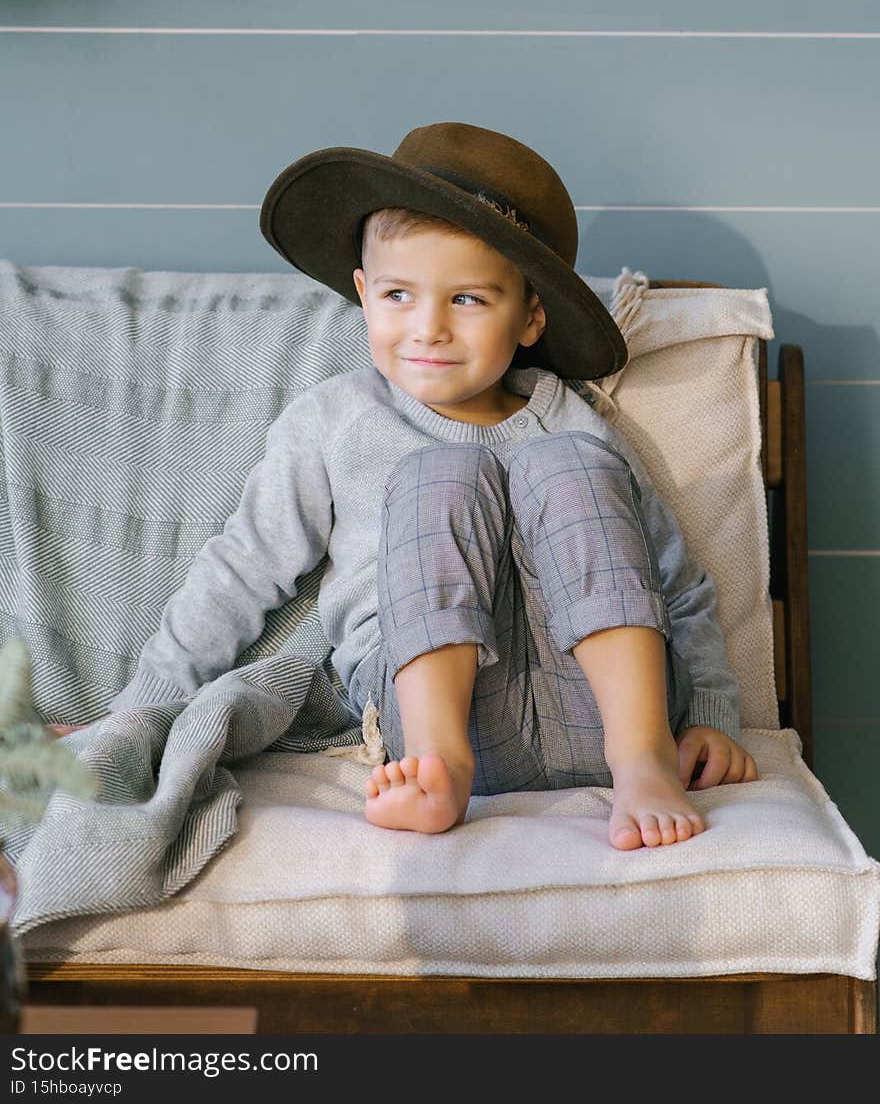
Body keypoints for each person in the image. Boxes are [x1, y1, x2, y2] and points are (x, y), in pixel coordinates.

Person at [54, 121, 758, 849]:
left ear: (530, 316)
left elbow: (673, 577)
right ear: (362, 292)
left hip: (607, 709)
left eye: (468, 301)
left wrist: (708, 711)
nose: (428, 329)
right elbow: (236, 575)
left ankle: (642, 764)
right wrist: (134, 715)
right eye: (398, 295)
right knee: (439, 475)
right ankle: (437, 769)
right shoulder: (337, 420)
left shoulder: (570, 420)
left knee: (570, 463)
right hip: (438, 716)